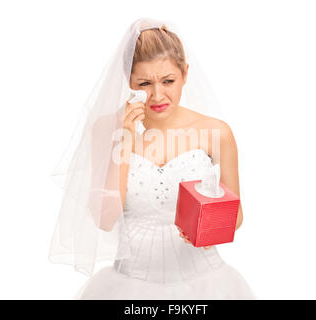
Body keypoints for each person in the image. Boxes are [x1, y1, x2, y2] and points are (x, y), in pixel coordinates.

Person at [49, 18, 257, 300]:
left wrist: (207, 230)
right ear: (128, 81)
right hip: (129, 287)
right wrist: (122, 138)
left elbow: (237, 215)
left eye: (168, 81)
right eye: (144, 83)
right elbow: (105, 219)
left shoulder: (216, 133)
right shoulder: (105, 129)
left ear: (185, 73)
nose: (157, 95)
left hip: (204, 285)